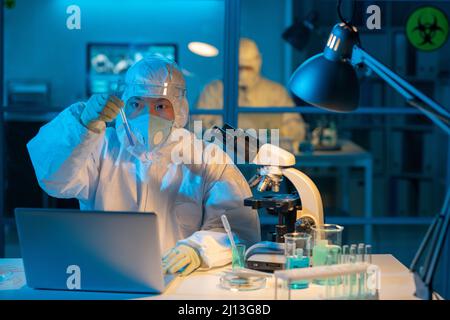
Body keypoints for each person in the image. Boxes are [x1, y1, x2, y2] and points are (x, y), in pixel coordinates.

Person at [27, 55, 260, 276]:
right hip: (105, 275)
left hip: (179, 280)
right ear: (124, 106)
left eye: (160, 106)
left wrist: (198, 250)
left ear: (179, 109)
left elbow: (236, 228)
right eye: (137, 104)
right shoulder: (99, 146)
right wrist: (82, 123)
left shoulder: (206, 158)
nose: (147, 115)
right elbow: (55, 181)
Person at [197, 38, 306, 151]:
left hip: (267, 159)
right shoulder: (212, 91)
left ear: (258, 61)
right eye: (239, 68)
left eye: (248, 68)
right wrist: (241, 144)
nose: (243, 73)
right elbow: (198, 129)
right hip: (224, 159)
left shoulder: (276, 93)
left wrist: (269, 138)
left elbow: (296, 130)